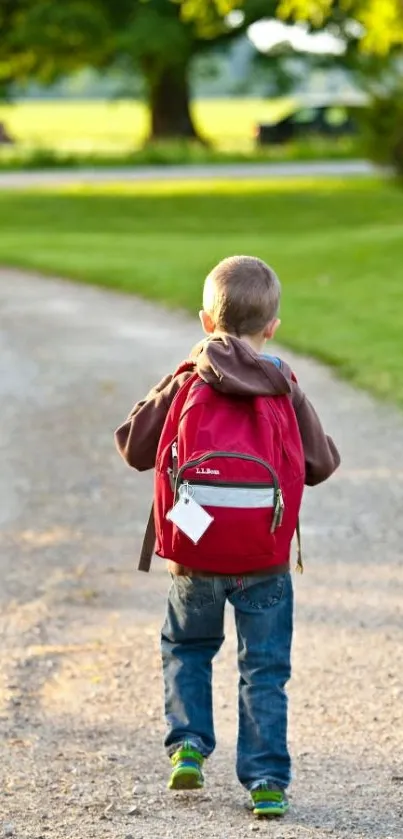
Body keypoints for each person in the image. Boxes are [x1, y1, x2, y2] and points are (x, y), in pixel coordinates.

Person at [115, 255, 340, 818]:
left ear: (204, 322)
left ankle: (188, 745)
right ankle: (266, 781)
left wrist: (178, 374)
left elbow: (134, 447)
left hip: (195, 556)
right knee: (263, 669)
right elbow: (321, 464)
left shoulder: (190, 377)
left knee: (188, 647)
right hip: (265, 558)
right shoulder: (283, 381)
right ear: (272, 327)